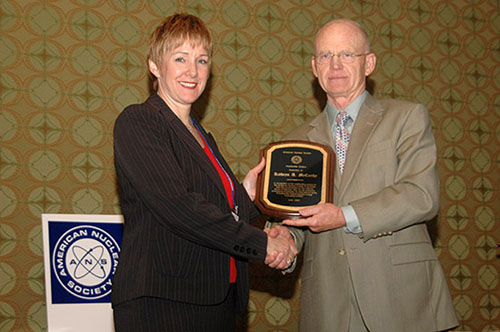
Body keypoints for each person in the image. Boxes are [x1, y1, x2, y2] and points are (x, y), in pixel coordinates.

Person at [269, 18, 459, 332]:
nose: (335, 64)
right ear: (315, 68)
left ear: (368, 63)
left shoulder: (406, 117)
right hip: (329, 304)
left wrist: (343, 215)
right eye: (326, 56)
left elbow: (421, 195)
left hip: (401, 298)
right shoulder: (295, 142)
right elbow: (297, 216)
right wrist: (285, 240)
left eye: (347, 54)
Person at [111, 13, 296, 332]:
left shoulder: (202, 137)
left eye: (202, 60)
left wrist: (250, 197)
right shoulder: (140, 121)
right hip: (163, 303)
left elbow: (217, 209)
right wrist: (263, 244)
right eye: (180, 58)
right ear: (155, 66)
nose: (192, 71)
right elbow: (179, 208)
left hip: (214, 301)